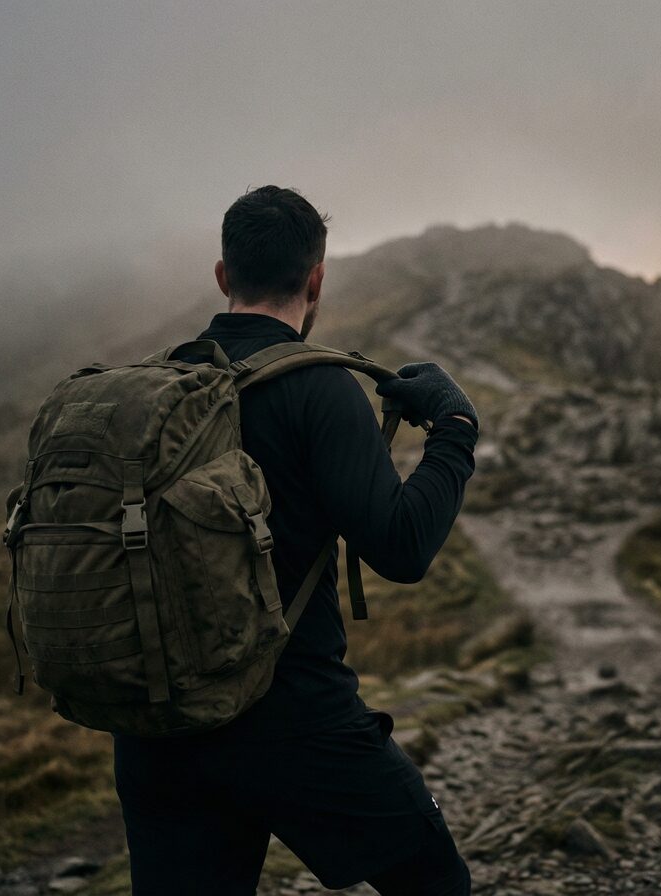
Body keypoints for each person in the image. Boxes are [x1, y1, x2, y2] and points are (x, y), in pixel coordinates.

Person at [111, 185, 479, 895]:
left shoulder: (156, 387)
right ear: (316, 280)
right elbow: (402, 548)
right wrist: (455, 431)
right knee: (437, 884)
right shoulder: (320, 388)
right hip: (295, 722)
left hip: (158, 728)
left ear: (223, 275)